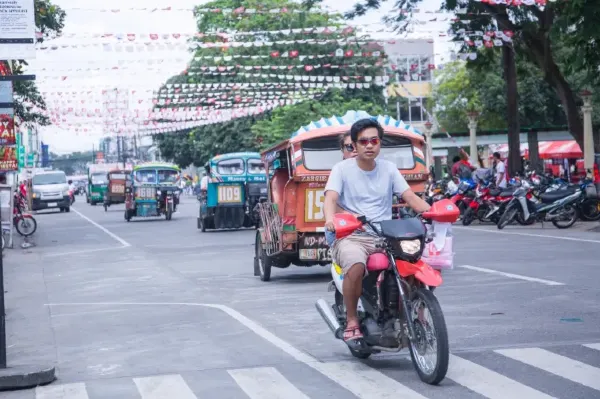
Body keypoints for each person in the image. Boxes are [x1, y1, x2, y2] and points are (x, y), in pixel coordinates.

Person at [323, 118, 431, 348]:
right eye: (363, 141)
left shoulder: (389, 169)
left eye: (374, 140)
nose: (369, 145)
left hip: (386, 234)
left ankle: (414, 311)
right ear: (354, 145)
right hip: (352, 234)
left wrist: (433, 212)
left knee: (415, 261)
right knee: (355, 263)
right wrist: (331, 219)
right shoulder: (341, 169)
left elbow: (409, 197)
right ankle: (352, 320)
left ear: (380, 143)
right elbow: (330, 198)